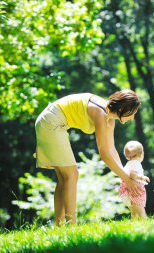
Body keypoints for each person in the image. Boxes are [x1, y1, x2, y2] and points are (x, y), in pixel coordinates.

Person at [35, 90, 146, 225]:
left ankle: (59, 226)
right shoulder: (101, 113)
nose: (133, 117)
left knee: (64, 178)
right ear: (122, 108)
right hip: (50, 123)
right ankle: (71, 226)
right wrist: (127, 180)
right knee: (71, 175)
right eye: (132, 112)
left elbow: (112, 150)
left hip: (54, 123)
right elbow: (104, 154)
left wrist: (126, 176)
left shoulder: (110, 120)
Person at [119, 141, 149, 220]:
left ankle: (134, 226)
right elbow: (132, 173)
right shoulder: (135, 163)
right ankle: (146, 224)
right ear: (141, 154)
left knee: (134, 213)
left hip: (127, 191)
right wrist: (141, 177)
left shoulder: (129, 163)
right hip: (134, 191)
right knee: (140, 211)